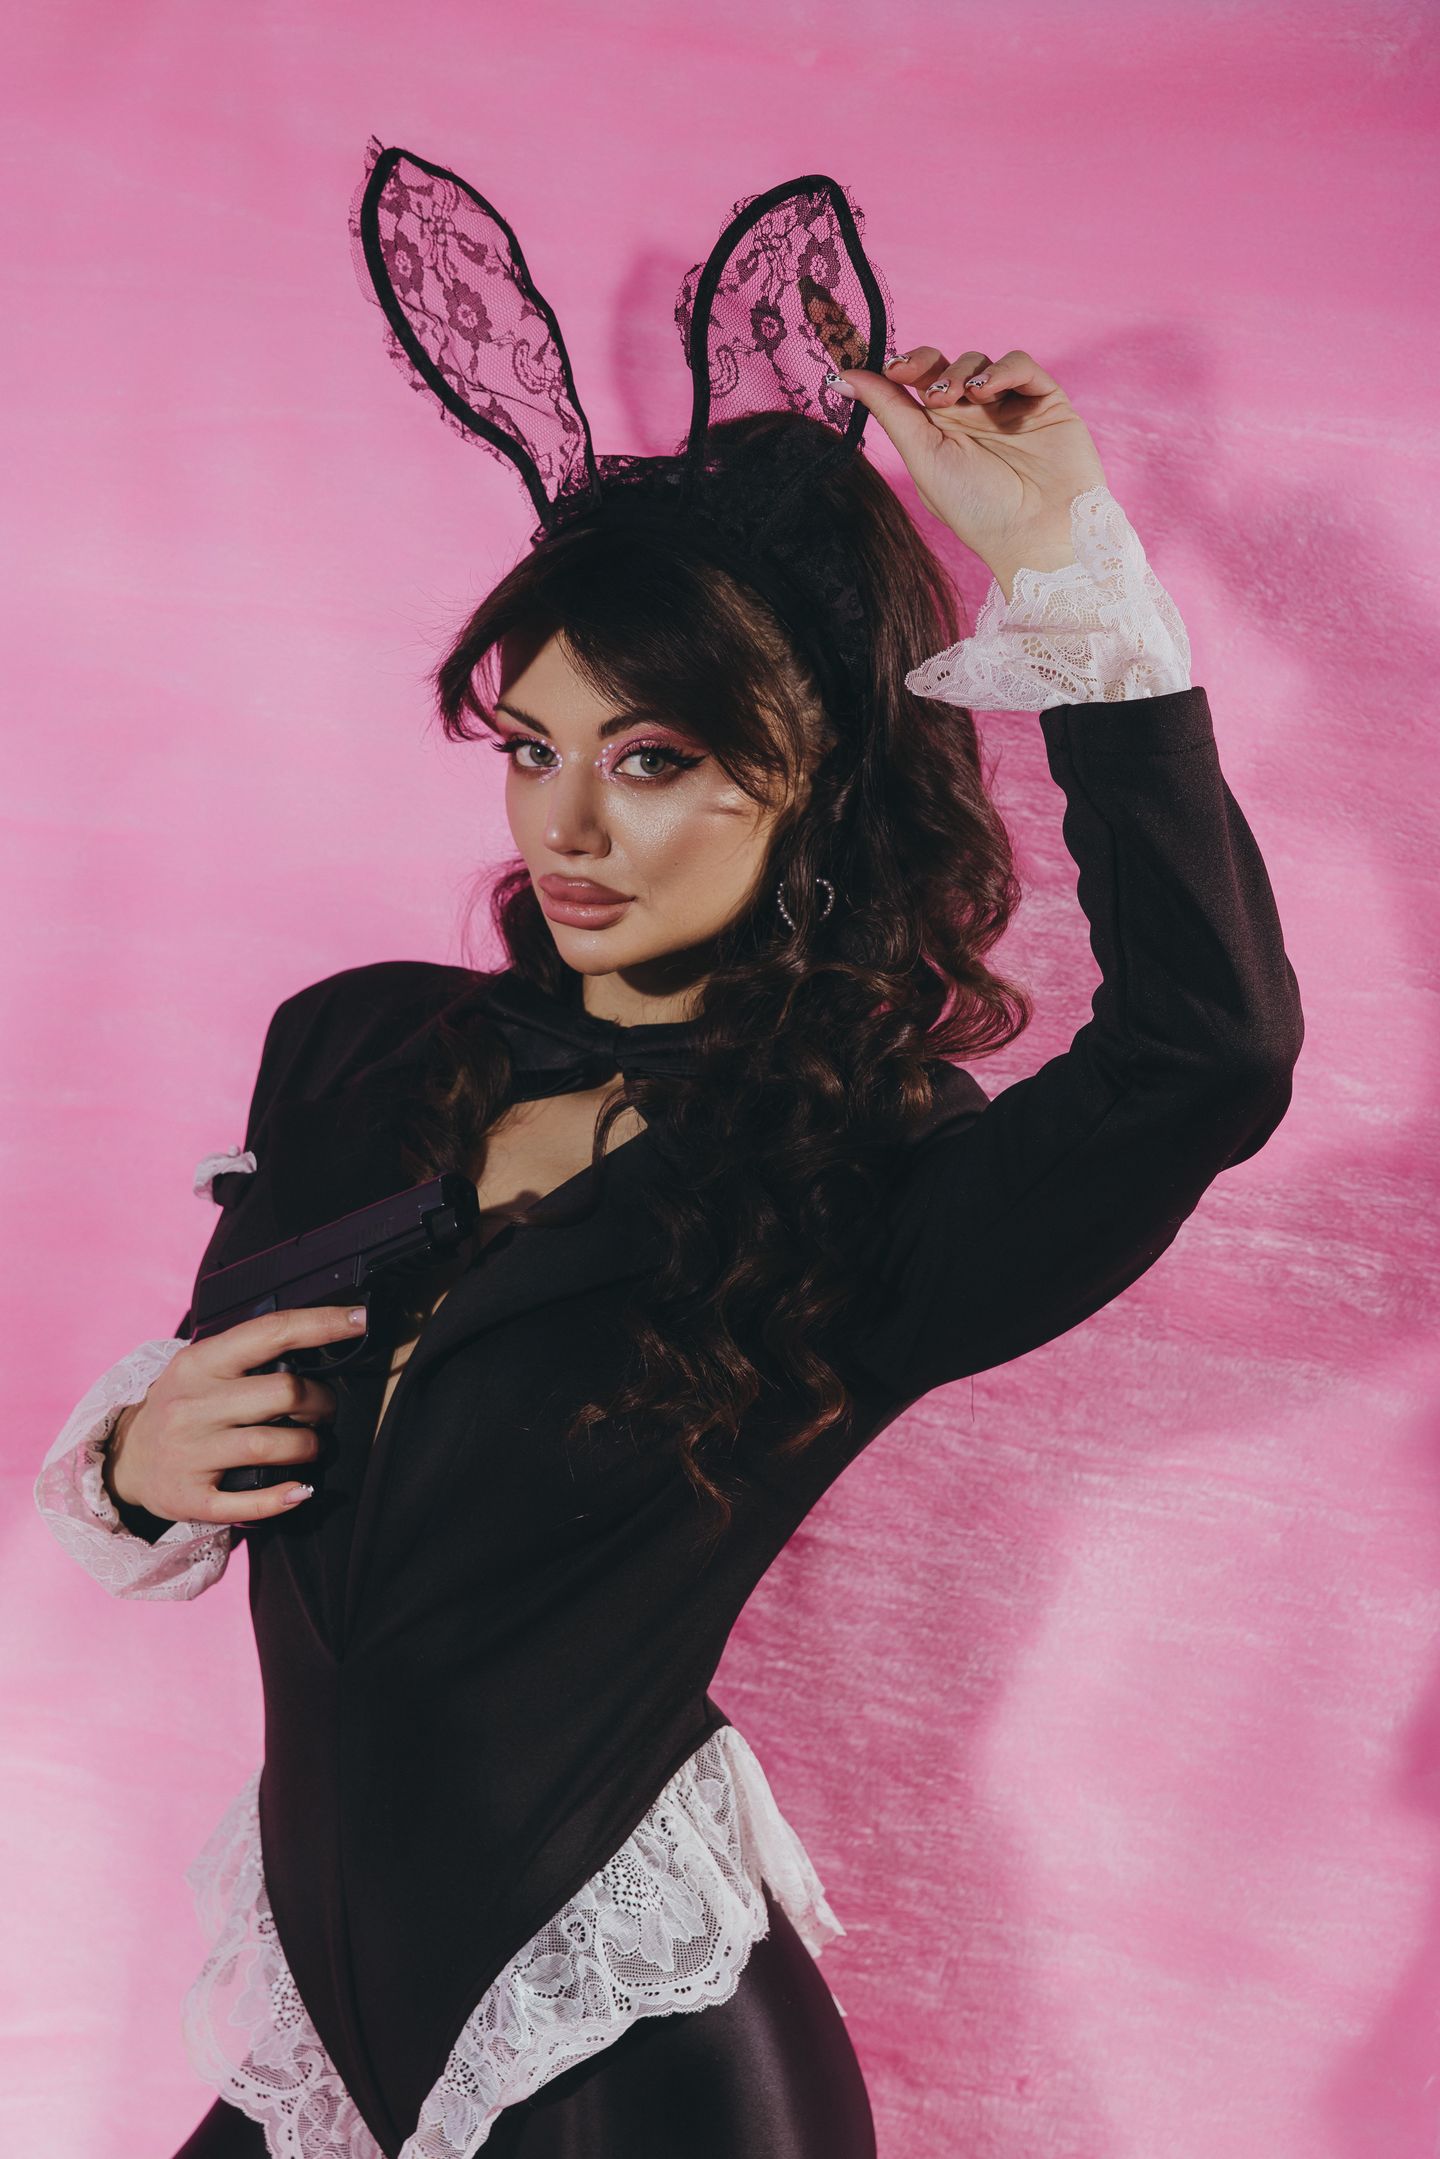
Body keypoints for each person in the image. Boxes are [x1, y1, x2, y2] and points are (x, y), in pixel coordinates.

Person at [36, 152, 1303, 2159]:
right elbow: (237, 1420)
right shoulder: (356, 1048)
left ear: (813, 787)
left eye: (654, 762)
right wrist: (131, 1457)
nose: (570, 831)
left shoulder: (873, 1178)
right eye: (534, 750)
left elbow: (1204, 1055)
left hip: (635, 2063)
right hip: (329, 2040)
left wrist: (1063, 557)